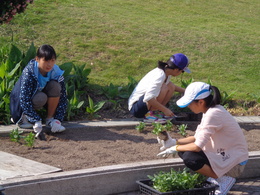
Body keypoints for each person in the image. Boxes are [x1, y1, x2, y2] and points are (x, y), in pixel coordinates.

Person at [157, 82, 248, 195]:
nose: (188, 107)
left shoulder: (213, 114)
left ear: (201, 102)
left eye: (190, 103)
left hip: (234, 165)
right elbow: (196, 138)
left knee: (190, 158)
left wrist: (175, 148)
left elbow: (197, 147)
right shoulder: (210, 111)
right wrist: (174, 142)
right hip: (226, 156)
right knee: (185, 152)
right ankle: (218, 176)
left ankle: (223, 178)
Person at [10, 44, 67, 139]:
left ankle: (50, 119)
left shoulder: (56, 72)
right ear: (37, 59)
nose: (49, 64)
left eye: (52, 61)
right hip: (20, 102)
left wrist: (58, 119)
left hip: (39, 94)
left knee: (55, 86)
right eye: (46, 61)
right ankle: (24, 118)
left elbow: (63, 96)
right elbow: (24, 98)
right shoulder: (30, 71)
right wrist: (36, 119)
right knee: (41, 97)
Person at [128, 53, 191, 123]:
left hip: (143, 105)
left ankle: (156, 113)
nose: (181, 73)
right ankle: (150, 115)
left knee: (170, 86)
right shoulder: (160, 75)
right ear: (176, 70)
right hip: (137, 108)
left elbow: (172, 87)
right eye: (182, 71)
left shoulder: (166, 72)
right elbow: (148, 98)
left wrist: (186, 91)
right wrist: (165, 110)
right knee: (164, 87)